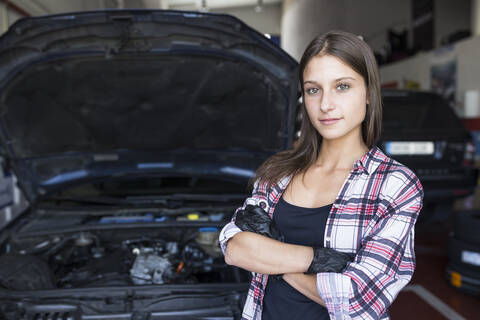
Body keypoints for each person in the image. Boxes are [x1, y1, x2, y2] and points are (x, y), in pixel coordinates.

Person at [219, 30, 424, 320]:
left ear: (368, 93)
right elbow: (234, 247)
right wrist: (318, 260)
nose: (326, 104)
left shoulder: (394, 185)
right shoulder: (280, 173)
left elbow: (357, 299)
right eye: (314, 89)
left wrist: (272, 256)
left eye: (342, 86)